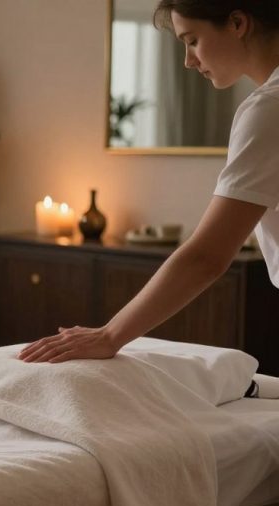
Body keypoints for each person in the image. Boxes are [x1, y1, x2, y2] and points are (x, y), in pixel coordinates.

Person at [18, 0, 279, 363]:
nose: (188, 60)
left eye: (192, 40)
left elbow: (207, 257)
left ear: (237, 23)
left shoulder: (268, 110)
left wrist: (109, 335)